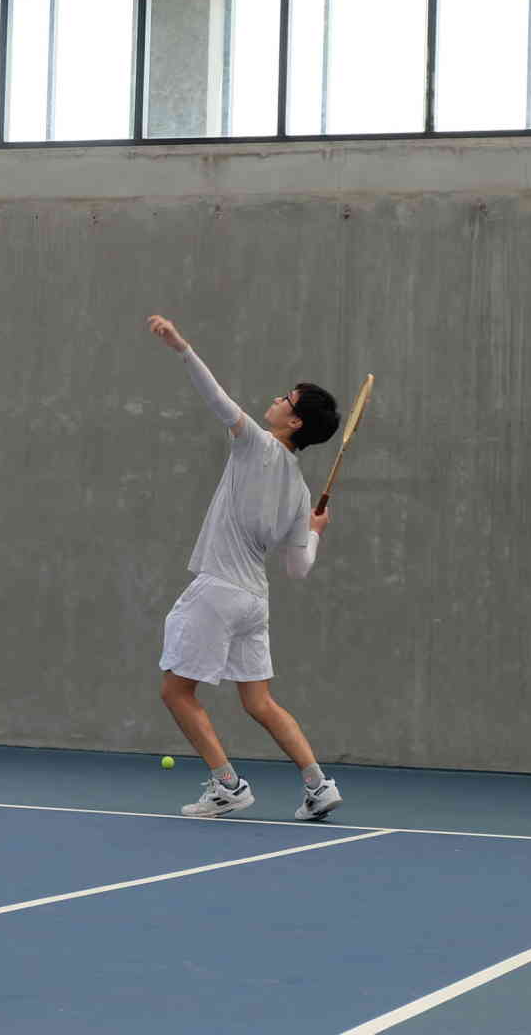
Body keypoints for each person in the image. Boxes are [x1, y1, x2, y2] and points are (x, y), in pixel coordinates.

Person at [146, 314, 343, 821]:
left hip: (219, 590)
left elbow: (217, 398)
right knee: (259, 702)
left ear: (294, 423)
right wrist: (316, 532)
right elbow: (298, 568)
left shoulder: (256, 443)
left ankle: (227, 784)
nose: (276, 400)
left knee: (176, 691)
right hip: (254, 601)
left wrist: (182, 347)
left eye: (286, 400)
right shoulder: (299, 492)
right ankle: (318, 785)